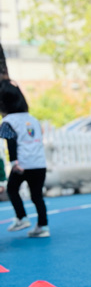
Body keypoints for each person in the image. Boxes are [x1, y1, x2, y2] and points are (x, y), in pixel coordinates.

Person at [0, 80, 49, 237]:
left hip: (22, 164)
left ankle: (21, 217)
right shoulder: (33, 119)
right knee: (37, 196)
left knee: (12, 189)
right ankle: (43, 226)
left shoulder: (8, 121)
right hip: (39, 164)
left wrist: (14, 162)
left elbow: (11, 142)